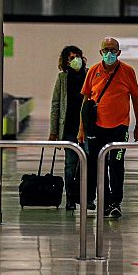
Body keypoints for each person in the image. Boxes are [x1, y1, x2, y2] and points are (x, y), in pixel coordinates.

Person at [78, 37, 138, 218]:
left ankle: (115, 202)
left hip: (119, 128)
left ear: (119, 52)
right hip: (97, 128)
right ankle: (105, 202)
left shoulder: (128, 72)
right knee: (100, 166)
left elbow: (136, 98)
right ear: (100, 52)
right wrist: (82, 128)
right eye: (106, 50)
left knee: (116, 164)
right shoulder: (93, 71)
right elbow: (86, 101)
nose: (109, 53)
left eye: (113, 50)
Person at [49, 45, 90, 211]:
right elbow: (56, 105)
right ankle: (70, 199)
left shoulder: (89, 74)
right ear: (66, 61)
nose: (76, 60)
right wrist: (53, 132)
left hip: (87, 128)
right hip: (68, 128)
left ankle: (87, 197)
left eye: (78, 56)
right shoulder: (62, 78)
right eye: (72, 57)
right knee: (70, 165)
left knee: (88, 162)